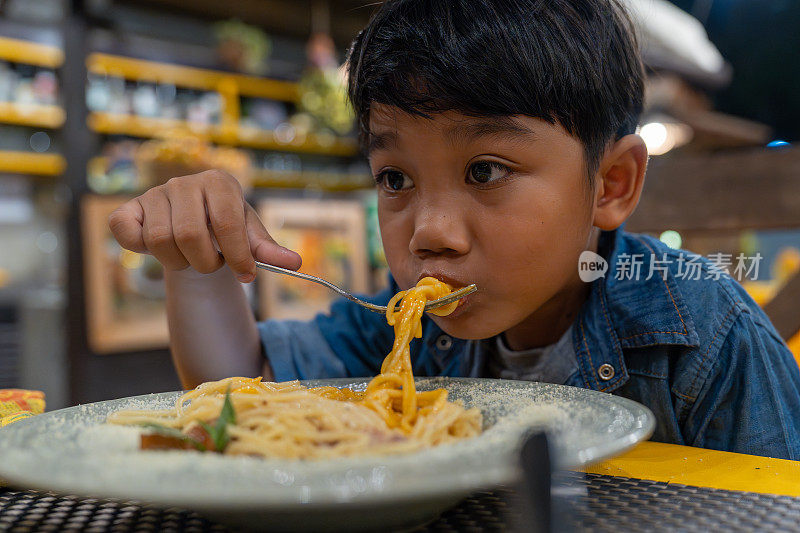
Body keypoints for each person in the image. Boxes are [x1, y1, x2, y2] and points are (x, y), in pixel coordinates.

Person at [108, 0, 800, 459]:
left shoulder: (702, 333)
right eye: (396, 180)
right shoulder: (406, 322)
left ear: (611, 184)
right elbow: (240, 384)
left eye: (486, 170)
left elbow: (778, 505)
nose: (430, 234)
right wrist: (195, 261)